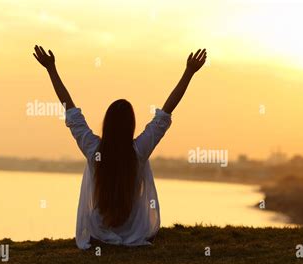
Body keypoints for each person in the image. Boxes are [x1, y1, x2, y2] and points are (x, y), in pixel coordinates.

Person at [33, 45, 207, 249]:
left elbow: (70, 110)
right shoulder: (139, 151)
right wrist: (189, 72)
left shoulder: (93, 149)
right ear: (131, 125)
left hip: (99, 229)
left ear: (107, 123)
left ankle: (107, 239)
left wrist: (51, 69)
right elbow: (166, 112)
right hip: (134, 230)